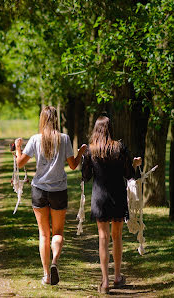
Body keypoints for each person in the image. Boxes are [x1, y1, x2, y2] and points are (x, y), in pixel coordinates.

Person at [14, 106, 87, 286]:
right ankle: (55, 262)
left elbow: (20, 162)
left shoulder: (35, 139)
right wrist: (81, 153)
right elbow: (72, 165)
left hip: (39, 190)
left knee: (43, 234)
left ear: (42, 120)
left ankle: (46, 275)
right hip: (59, 190)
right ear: (56, 120)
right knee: (58, 232)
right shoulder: (64, 139)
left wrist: (17, 148)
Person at [81, 115, 142, 294]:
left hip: (99, 198)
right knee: (117, 237)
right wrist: (135, 164)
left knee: (103, 238)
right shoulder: (120, 147)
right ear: (111, 129)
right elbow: (129, 174)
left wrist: (84, 158)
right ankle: (117, 276)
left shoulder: (91, 150)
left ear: (96, 129)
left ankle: (105, 281)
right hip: (117, 196)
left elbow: (86, 177)